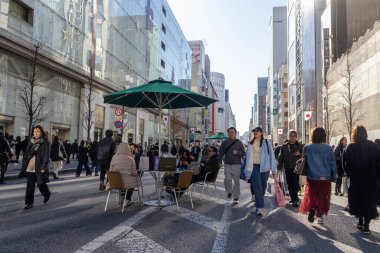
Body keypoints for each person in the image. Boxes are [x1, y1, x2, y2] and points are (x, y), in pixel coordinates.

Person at [342, 126, 380, 234]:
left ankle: (359, 221)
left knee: (357, 200)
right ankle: (367, 225)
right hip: (371, 179)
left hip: (355, 179)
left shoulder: (349, 147)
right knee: (369, 201)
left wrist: (348, 174)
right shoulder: (374, 146)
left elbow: (345, 164)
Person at [299, 127, 336, 225]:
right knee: (323, 197)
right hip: (325, 177)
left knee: (312, 195)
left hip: (312, 176)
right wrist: (334, 176)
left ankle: (312, 208)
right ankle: (320, 216)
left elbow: (304, 161)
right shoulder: (329, 148)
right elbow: (332, 163)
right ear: (324, 136)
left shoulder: (307, 147)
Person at [244, 127, 277, 215]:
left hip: (265, 167)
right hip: (254, 167)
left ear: (261, 133)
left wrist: (274, 170)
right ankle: (260, 207)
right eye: (254, 131)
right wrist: (246, 169)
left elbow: (272, 156)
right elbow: (247, 157)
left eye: (257, 131)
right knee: (257, 187)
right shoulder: (250, 143)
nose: (255, 132)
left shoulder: (267, 142)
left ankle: (259, 200)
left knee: (263, 186)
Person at [18, 125, 51, 210]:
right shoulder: (31, 141)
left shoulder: (45, 142)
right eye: (34, 132)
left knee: (40, 184)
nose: (36, 133)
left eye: (38, 132)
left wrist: (44, 166)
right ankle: (29, 203)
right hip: (29, 167)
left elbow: (46, 156)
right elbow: (26, 153)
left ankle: (47, 194)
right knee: (30, 186)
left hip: (39, 166)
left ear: (41, 132)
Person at [277, 130, 304, 207]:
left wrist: (300, 154)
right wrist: (279, 167)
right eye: (290, 135)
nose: (292, 137)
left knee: (295, 183)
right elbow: (280, 157)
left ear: (296, 137)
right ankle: (293, 197)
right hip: (287, 167)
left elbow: (305, 156)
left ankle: (295, 199)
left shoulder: (301, 146)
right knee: (289, 183)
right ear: (288, 137)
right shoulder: (284, 146)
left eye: (294, 136)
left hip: (297, 168)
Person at [218, 127, 245, 204]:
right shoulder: (225, 142)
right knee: (227, 179)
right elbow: (220, 153)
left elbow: (243, 153)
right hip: (227, 164)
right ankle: (229, 191)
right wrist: (219, 162)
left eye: (232, 132)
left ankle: (236, 197)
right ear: (228, 133)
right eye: (229, 132)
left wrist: (237, 153)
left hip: (237, 165)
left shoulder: (240, 143)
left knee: (236, 182)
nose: (231, 133)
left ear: (235, 133)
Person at [109, 143, 138, 207]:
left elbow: (110, 171)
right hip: (128, 183)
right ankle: (127, 200)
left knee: (121, 179)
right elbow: (134, 172)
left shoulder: (113, 158)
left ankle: (122, 197)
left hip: (115, 183)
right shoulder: (131, 159)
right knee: (130, 182)